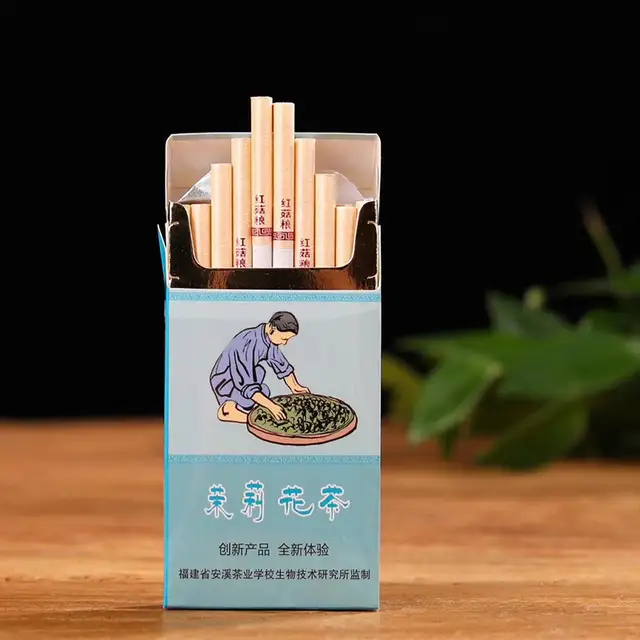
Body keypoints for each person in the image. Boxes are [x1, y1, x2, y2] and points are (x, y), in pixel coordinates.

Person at [210, 311, 310, 424]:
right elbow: (245, 381)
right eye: (284, 338)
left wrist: (295, 386)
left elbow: (281, 365)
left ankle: (246, 405)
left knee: (263, 387)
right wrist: (272, 406)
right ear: (272, 328)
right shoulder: (247, 342)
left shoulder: (269, 339)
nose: (285, 343)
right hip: (226, 380)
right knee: (255, 402)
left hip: (244, 377)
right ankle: (228, 411)